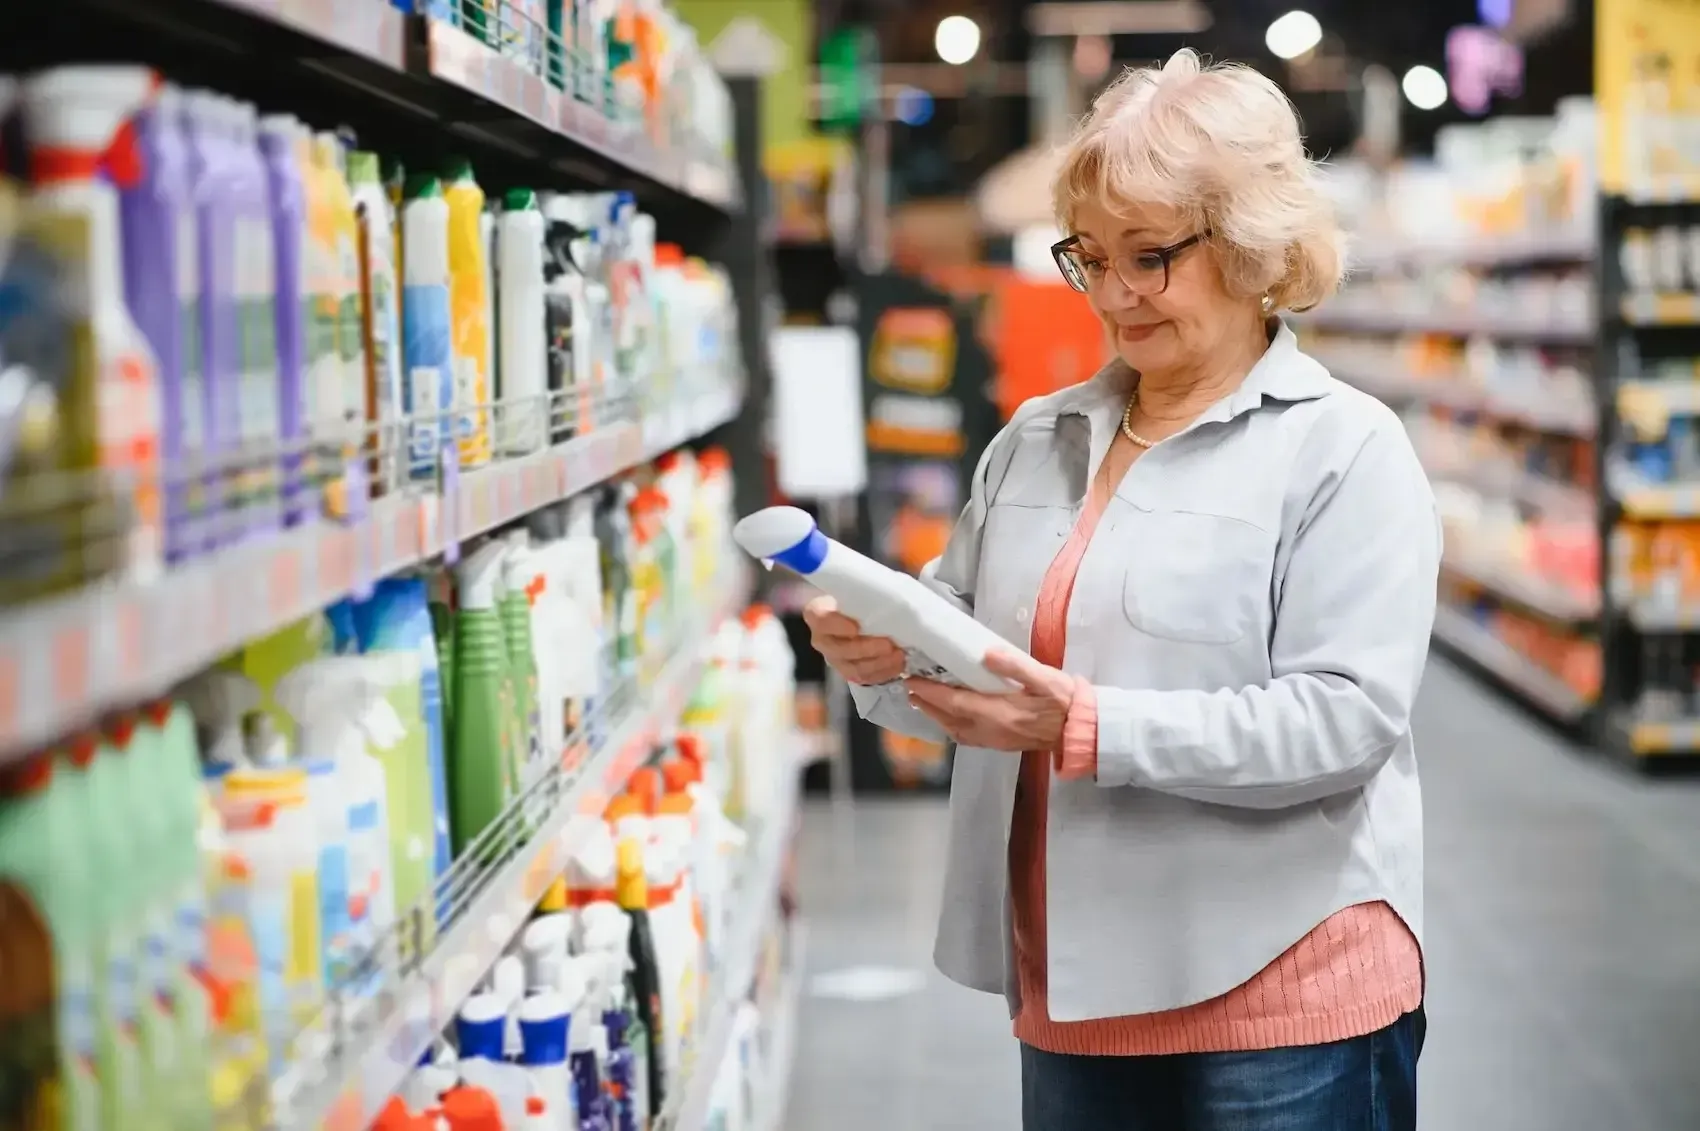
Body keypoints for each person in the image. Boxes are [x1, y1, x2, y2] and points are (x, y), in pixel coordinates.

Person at [804, 49, 1438, 1131]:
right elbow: (972, 659)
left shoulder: (1341, 451)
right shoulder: (1036, 441)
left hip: (1278, 992)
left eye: (1148, 257)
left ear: (1250, 248)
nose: (1110, 294)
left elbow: (1344, 720)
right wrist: (888, 660)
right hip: (1076, 983)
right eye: (1087, 257)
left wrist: (1087, 725)